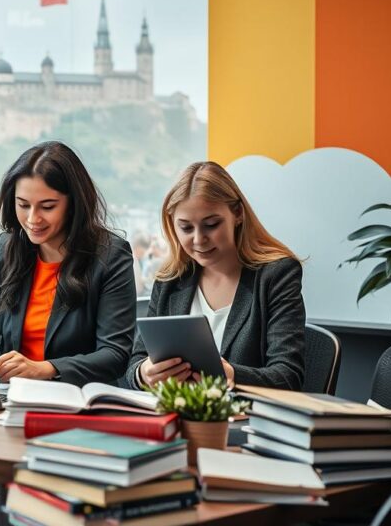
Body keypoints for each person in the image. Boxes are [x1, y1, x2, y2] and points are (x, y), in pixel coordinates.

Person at [0, 141, 138, 525]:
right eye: (23, 205)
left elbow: (115, 354)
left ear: (74, 202)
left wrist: (46, 368)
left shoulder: (111, 255)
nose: (32, 219)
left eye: (47, 206)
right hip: (11, 405)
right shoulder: (7, 247)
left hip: (76, 409)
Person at [123, 161, 305, 391]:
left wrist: (233, 375)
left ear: (237, 213)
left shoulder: (276, 275)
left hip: (246, 422)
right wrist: (144, 374)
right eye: (186, 228)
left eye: (211, 225)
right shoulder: (171, 279)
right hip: (175, 417)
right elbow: (136, 364)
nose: (199, 240)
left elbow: (288, 376)